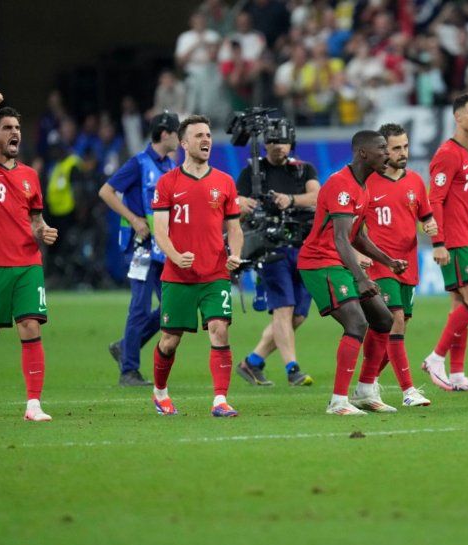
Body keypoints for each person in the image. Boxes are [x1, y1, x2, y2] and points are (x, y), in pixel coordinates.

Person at [0, 90, 59, 421]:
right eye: (7, 128)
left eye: (17, 128)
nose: (15, 133)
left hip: (27, 264)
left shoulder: (30, 175)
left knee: (31, 326)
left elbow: (35, 221)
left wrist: (43, 231)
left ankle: (33, 404)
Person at [297, 130, 409, 416]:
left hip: (338, 262)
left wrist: (389, 260)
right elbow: (340, 239)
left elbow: (358, 237)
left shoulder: (364, 187)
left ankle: (365, 391)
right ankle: (337, 401)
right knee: (357, 324)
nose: (387, 153)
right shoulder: (340, 185)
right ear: (363, 153)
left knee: (383, 319)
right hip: (319, 263)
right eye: (382, 148)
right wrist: (361, 278)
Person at [149, 115, 243, 417]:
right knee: (170, 341)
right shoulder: (168, 183)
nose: (206, 140)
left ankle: (220, 400)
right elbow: (160, 230)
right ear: (184, 142)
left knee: (219, 329)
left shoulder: (225, 182)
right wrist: (175, 256)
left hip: (215, 273)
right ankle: (160, 392)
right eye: (199, 135)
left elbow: (235, 228)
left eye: (209, 135)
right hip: (178, 276)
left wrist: (235, 254)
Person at [352, 123, 438, 411]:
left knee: (393, 330)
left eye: (405, 146)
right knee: (395, 321)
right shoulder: (367, 184)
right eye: (396, 148)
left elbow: (425, 216)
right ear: (382, 150)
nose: (403, 153)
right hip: (379, 266)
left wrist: (430, 227)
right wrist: (356, 254)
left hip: (408, 266)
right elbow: (349, 228)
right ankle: (408, 390)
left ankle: (366, 384)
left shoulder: (415, 181)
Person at [234, 122, 319, 387]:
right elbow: (234, 203)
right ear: (265, 144)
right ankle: (293, 369)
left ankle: (252, 362)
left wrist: (290, 200)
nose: (277, 146)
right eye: (272, 141)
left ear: (291, 143)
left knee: (298, 316)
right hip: (270, 247)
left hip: (303, 245)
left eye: (282, 141)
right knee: (283, 309)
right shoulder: (252, 173)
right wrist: (242, 203)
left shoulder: (304, 169)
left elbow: (318, 196)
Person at [98, 112, 180, 386]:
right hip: (140, 247)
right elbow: (106, 191)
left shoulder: (170, 166)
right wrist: (133, 219)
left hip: (162, 247)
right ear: (164, 134)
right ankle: (129, 371)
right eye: (177, 132)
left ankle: (125, 346)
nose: (181, 138)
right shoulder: (138, 163)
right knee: (141, 307)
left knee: (172, 305)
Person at [422, 93, 468, 392]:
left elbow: (467, 202)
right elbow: (433, 199)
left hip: (467, 238)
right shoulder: (448, 153)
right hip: (452, 240)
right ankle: (436, 358)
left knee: (460, 305)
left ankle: (458, 374)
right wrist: (437, 241)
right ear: (457, 117)